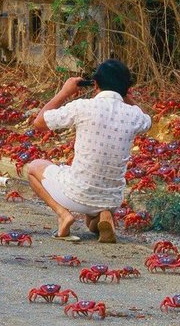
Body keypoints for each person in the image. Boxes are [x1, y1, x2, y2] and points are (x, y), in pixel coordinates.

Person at [27, 60, 151, 243]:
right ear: (126, 89)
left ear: (95, 84)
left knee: (34, 167)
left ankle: (63, 216)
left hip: (77, 194)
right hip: (112, 199)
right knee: (91, 220)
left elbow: (39, 122)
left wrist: (65, 91)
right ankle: (105, 215)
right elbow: (148, 119)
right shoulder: (134, 115)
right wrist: (125, 95)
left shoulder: (83, 107)